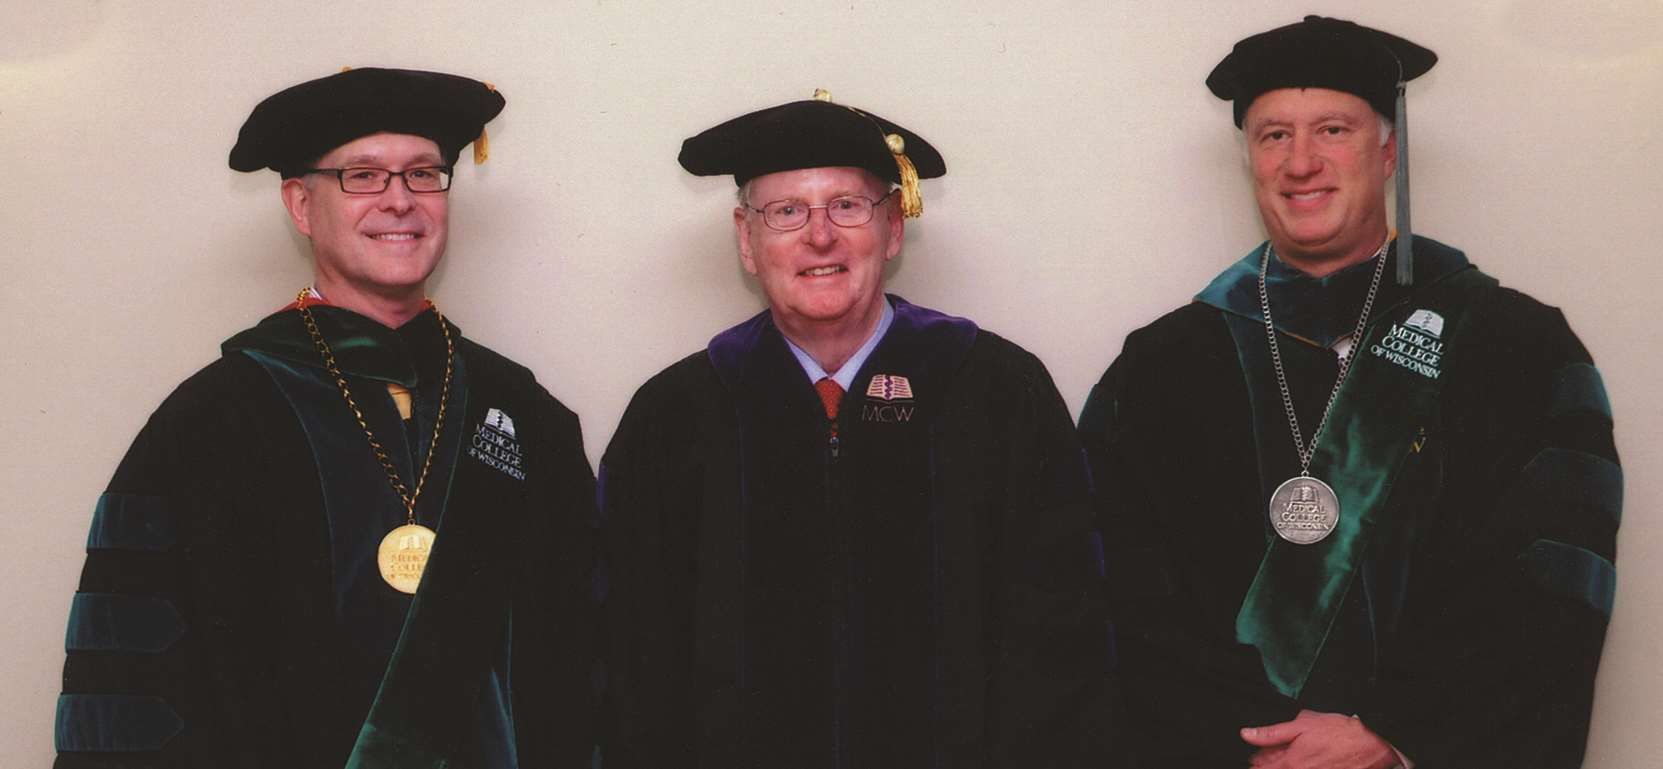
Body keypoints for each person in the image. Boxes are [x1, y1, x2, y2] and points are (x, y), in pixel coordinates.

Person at [1079, 16, 1621, 769]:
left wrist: (1397, 728)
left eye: (1332, 129)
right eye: (1273, 136)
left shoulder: (1517, 349)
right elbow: (1114, 587)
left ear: (1388, 149)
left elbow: (1552, 584)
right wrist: (1260, 740)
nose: (1300, 162)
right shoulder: (1161, 367)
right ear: (1249, 157)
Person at [53, 68, 599, 768]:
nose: (399, 201)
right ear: (300, 205)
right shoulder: (210, 424)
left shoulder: (523, 413)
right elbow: (133, 695)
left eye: (423, 174)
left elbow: (585, 665)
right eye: (363, 176)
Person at [599, 90, 1122, 767]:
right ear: (746, 240)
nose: (820, 236)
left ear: (894, 228)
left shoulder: (997, 395)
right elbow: (634, 664)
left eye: (847, 205)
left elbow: (1062, 645)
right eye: (786, 211)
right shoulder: (673, 420)